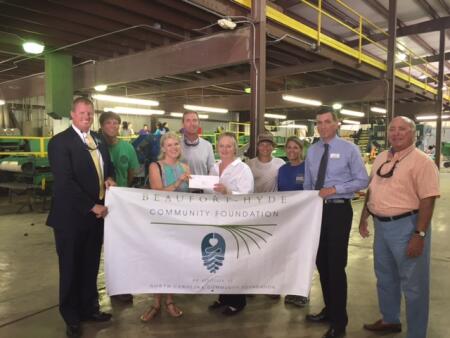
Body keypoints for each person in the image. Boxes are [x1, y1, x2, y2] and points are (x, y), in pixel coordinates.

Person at [359, 116, 439, 338]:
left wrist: (419, 234)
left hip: (407, 226)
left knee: (414, 285)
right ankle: (390, 319)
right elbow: (372, 189)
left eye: (402, 129)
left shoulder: (422, 162)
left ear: (414, 133)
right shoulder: (382, 157)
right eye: (392, 129)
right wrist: (364, 216)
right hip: (381, 226)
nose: (396, 133)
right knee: (385, 276)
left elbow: (428, 200)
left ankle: (416, 333)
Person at [46, 97, 116, 338]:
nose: (87, 116)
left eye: (90, 113)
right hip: (71, 217)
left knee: (90, 265)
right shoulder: (59, 143)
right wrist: (90, 206)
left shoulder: (98, 140)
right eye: (82, 113)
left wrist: (110, 178)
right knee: (71, 267)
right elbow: (65, 183)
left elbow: (108, 166)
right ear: (72, 114)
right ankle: (71, 316)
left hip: (96, 214)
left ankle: (89, 308)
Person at [304, 107, 369, 338]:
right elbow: (309, 185)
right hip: (316, 212)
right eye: (318, 122)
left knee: (336, 266)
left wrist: (335, 189)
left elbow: (363, 180)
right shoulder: (311, 151)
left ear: (336, 123)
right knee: (321, 263)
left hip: (338, 211)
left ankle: (339, 323)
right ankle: (330, 310)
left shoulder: (349, 149)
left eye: (327, 122)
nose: (322, 126)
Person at [140, 132, 190, 322]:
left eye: (176, 144)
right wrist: (178, 182)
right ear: (163, 148)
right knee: (158, 261)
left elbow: (189, 195)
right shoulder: (156, 166)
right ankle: (155, 302)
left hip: (180, 221)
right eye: (169, 145)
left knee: (174, 261)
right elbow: (158, 194)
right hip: (161, 221)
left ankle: (170, 300)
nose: (174, 148)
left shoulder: (185, 166)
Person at [207, 132, 254, 315]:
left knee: (235, 260)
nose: (225, 149)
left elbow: (246, 195)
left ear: (235, 148)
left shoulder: (242, 169)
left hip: (235, 219)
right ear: (217, 148)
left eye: (229, 146)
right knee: (221, 258)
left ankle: (238, 301)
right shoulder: (214, 167)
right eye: (221, 146)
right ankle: (223, 297)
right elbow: (208, 193)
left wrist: (228, 191)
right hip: (217, 219)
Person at [99, 111, 140, 302]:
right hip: (98, 202)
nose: (113, 126)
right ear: (101, 125)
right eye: (109, 123)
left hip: (119, 203)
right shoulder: (94, 145)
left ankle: (119, 287)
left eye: (116, 123)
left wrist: (122, 190)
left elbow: (132, 173)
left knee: (120, 246)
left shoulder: (127, 148)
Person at [277, 136, 308, 307]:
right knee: (290, 255)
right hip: (287, 219)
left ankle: (302, 292)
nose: (291, 151)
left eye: (295, 147)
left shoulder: (307, 168)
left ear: (301, 149)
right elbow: (279, 193)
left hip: (304, 218)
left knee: (302, 254)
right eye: (289, 147)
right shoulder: (282, 169)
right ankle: (291, 289)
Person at [180, 111, 215, 175]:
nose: (192, 124)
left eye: (194, 120)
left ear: (199, 123)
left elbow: (212, 169)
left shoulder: (207, 145)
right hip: (180, 184)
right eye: (188, 120)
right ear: (183, 124)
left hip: (201, 185)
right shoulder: (176, 145)